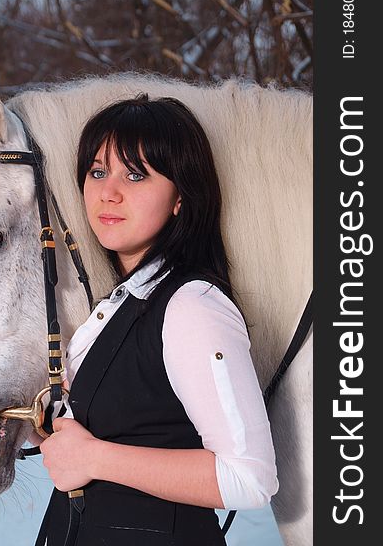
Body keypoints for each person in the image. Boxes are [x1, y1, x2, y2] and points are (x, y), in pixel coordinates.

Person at [32, 95, 278, 546]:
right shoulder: (121, 304)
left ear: (181, 195)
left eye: (136, 174)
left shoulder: (192, 305)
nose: (108, 192)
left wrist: (94, 458)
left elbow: (249, 477)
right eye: (98, 172)